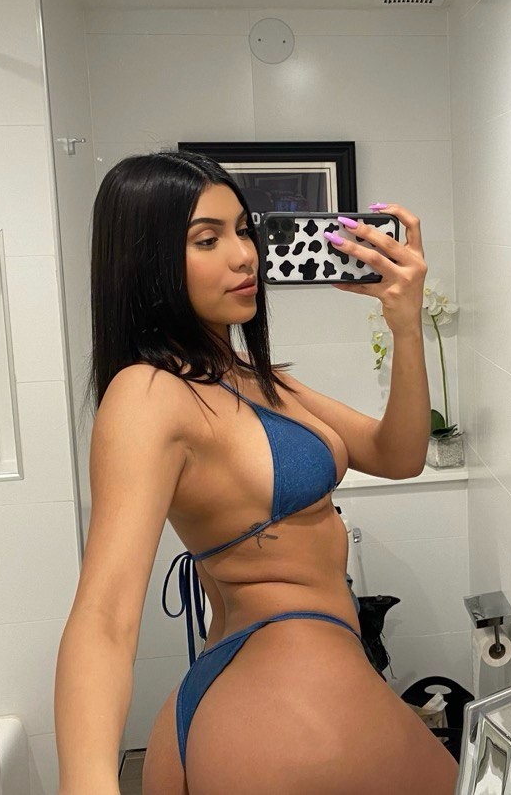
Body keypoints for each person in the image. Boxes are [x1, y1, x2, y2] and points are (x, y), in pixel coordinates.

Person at [53, 152, 459, 795]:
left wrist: (405, 324)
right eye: (206, 239)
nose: (244, 256)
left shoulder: (248, 378)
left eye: (244, 231)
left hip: (279, 690)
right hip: (285, 701)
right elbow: (104, 615)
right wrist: (86, 784)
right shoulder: (149, 394)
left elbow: (398, 455)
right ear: (146, 261)